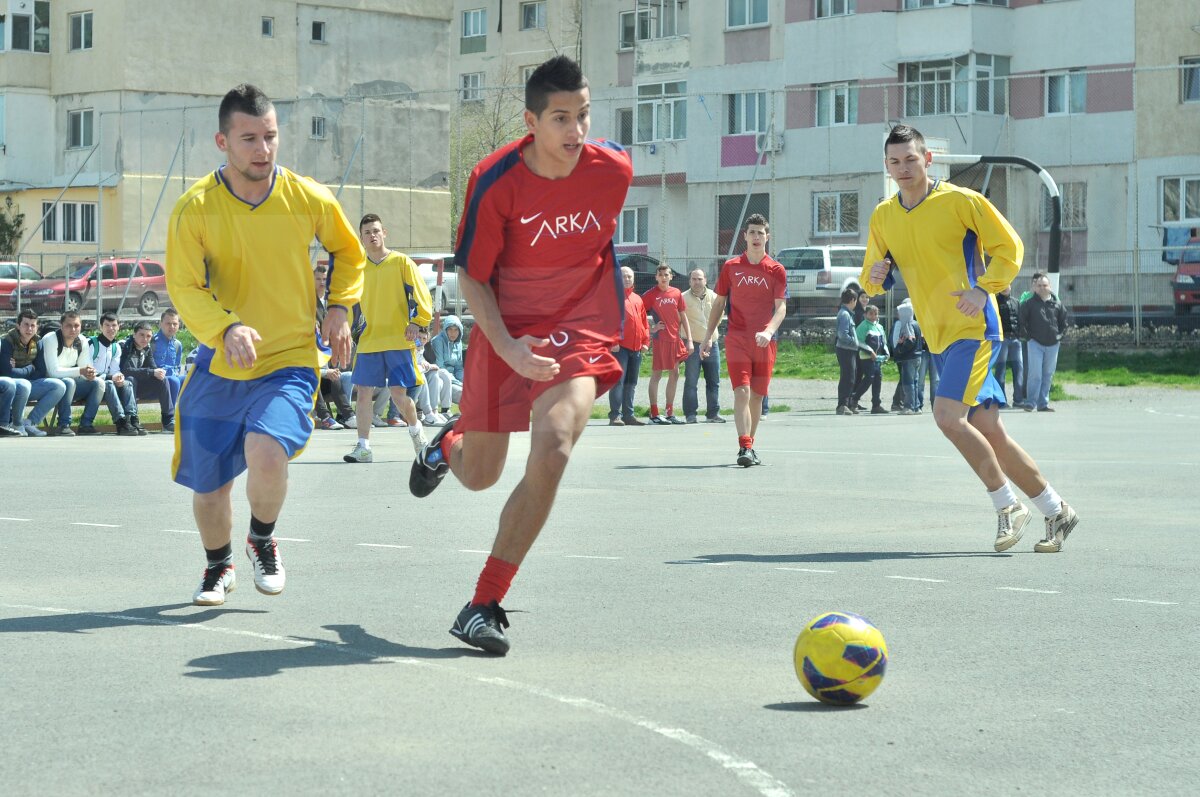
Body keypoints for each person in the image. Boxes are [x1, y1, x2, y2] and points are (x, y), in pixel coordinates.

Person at [408, 55, 633, 655]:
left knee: (555, 446)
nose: (575, 132)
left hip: (580, 327)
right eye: (561, 118)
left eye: (583, 116)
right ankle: (447, 444)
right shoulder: (494, 179)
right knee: (480, 476)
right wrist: (506, 346)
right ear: (531, 122)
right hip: (505, 330)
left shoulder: (613, 169)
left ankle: (483, 602)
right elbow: (472, 278)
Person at [166, 83, 364, 606]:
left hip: (288, 359)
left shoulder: (306, 197)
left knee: (267, 452)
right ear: (222, 141)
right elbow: (184, 286)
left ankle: (261, 538)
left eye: (271, 136)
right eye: (249, 137)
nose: (263, 149)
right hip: (220, 361)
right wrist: (226, 327)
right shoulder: (197, 208)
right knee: (209, 489)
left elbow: (349, 251)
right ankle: (217, 567)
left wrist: (340, 306)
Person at [860, 124, 1078, 553]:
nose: (903, 168)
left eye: (910, 159)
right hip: (938, 336)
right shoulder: (884, 214)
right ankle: (1056, 510)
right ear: (887, 166)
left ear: (928, 159)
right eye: (894, 161)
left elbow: (1009, 246)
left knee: (946, 417)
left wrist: (984, 289)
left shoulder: (962, 201)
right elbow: (873, 277)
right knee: (989, 430)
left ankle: (1008, 505)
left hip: (975, 329)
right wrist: (877, 278)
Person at [342, 213, 433, 463]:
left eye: (376, 230)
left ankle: (418, 436)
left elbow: (422, 295)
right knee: (362, 392)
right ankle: (363, 448)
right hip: (370, 341)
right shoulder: (358, 268)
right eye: (367, 232)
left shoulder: (401, 262)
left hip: (397, 340)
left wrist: (418, 322)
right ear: (361, 238)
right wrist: (346, 331)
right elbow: (349, 303)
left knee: (398, 395)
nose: (372, 235)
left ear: (385, 233)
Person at [700, 213, 787, 467]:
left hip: (764, 342)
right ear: (745, 236)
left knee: (757, 397)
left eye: (761, 232)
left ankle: (750, 446)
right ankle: (744, 445)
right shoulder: (732, 267)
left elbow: (781, 308)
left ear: (767, 237)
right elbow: (718, 303)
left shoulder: (776, 270)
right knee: (742, 391)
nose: (756, 237)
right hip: (737, 338)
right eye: (752, 232)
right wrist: (707, 337)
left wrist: (769, 331)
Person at [0, 309, 65, 436]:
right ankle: (16, 424)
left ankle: (29, 423)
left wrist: (19, 370)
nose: (29, 328)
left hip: (30, 383)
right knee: (24, 384)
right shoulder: (7, 341)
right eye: (25, 324)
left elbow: (41, 371)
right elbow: (7, 372)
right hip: (13, 386)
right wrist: (30, 368)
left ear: (37, 327)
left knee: (58, 386)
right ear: (18, 326)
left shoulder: (38, 342)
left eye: (32, 325)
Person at [40, 311, 104, 436]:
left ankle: (86, 424)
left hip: (71, 384)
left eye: (76, 325)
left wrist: (89, 374)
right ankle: (63, 425)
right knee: (69, 382)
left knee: (99, 383)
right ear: (61, 326)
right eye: (69, 325)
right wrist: (81, 371)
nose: (73, 329)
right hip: (50, 386)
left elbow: (84, 367)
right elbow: (53, 372)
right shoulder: (50, 339)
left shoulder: (82, 341)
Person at [642, 264, 692, 424]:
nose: (664, 277)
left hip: (675, 339)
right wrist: (651, 329)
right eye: (661, 274)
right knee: (657, 374)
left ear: (671, 277)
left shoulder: (677, 293)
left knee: (675, 373)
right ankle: (654, 414)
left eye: (666, 274)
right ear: (656, 277)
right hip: (660, 340)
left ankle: (669, 412)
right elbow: (637, 313)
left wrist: (689, 340)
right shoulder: (650, 295)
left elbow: (683, 317)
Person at [1018, 272, 1070, 413]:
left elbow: (1064, 322)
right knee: (1035, 374)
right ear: (1035, 287)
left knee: (1047, 374)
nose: (1041, 288)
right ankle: (1030, 403)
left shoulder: (1057, 304)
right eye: (1039, 285)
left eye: (1044, 285)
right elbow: (1021, 322)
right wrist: (1028, 337)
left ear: (1050, 286)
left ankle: (1043, 404)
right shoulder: (1028, 304)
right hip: (1035, 343)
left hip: (1053, 344)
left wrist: (1060, 336)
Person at [681, 268, 724, 424]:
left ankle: (713, 413)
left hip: (712, 345)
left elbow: (719, 316)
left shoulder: (714, 297)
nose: (697, 282)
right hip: (692, 345)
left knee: (714, 381)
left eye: (700, 279)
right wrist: (689, 342)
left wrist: (710, 339)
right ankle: (690, 414)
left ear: (705, 280)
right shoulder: (683, 298)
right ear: (689, 281)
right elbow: (680, 320)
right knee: (691, 381)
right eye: (694, 279)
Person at [90, 312, 144, 436]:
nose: (111, 328)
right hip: (92, 384)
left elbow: (114, 370)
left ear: (119, 326)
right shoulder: (92, 344)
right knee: (109, 383)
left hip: (107, 383)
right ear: (100, 327)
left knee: (127, 383)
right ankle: (120, 422)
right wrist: (111, 377)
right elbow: (89, 372)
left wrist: (119, 376)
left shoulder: (116, 347)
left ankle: (132, 419)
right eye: (107, 325)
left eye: (114, 325)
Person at [608, 265, 649, 426]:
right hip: (620, 347)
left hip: (636, 348)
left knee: (631, 383)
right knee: (618, 382)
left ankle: (628, 415)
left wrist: (646, 342)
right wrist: (613, 341)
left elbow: (644, 322)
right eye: (623, 276)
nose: (627, 279)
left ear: (633, 279)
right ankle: (614, 415)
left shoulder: (638, 299)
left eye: (629, 276)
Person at [120, 320, 169, 434]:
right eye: (141, 335)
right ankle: (133, 419)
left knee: (162, 380)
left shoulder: (147, 348)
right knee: (131, 380)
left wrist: (158, 372)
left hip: (138, 386)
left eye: (148, 336)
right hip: (122, 385)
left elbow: (153, 368)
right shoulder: (126, 346)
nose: (145, 339)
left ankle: (168, 420)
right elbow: (126, 371)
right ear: (134, 334)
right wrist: (151, 372)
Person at [849, 304, 890, 414]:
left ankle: (876, 405)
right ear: (865, 314)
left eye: (875, 314)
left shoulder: (879, 327)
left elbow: (883, 342)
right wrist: (870, 351)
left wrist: (887, 353)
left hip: (877, 359)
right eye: (871, 313)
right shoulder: (863, 326)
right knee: (869, 379)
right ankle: (854, 399)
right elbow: (858, 342)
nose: (873, 316)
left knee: (878, 379)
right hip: (866, 357)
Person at [152, 309, 185, 432]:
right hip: (157, 378)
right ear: (160, 324)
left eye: (175, 324)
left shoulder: (177, 344)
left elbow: (177, 366)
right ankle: (169, 420)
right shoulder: (153, 342)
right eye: (168, 323)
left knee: (192, 378)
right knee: (174, 380)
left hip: (172, 376)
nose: (172, 326)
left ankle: (191, 416)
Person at [993, 286, 1024, 408]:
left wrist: (1021, 334)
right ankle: (1001, 401)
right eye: (1003, 284)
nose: (1006, 287)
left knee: (1019, 369)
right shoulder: (995, 301)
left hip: (1016, 340)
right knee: (1001, 370)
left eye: (1008, 284)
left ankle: (1018, 400)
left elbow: (1020, 320)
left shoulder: (1016, 302)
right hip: (1002, 340)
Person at [891, 298, 923, 415]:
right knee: (915, 381)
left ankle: (908, 406)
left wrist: (900, 347)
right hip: (918, 356)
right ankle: (916, 406)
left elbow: (910, 341)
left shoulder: (907, 325)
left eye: (900, 313)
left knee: (908, 383)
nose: (898, 315)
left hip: (909, 357)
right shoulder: (916, 323)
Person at [834, 287, 862, 415]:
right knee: (847, 377)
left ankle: (847, 403)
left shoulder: (846, 313)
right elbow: (842, 334)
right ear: (852, 300)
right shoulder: (845, 314)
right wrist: (854, 342)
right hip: (845, 349)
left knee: (851, 377)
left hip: (848, 350)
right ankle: (842, 405)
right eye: (856, 300)